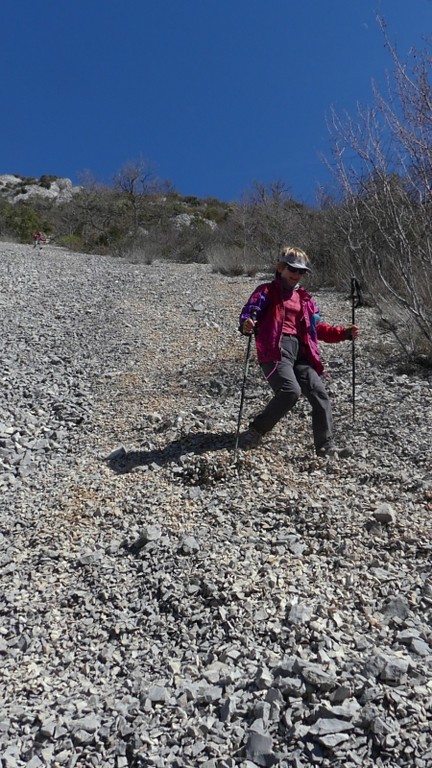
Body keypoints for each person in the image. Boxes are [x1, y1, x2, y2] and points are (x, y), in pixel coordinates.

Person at [238, 246, 358, 457]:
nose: (297, 274)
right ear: (281, 268)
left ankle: (325, 446)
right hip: (275, 350)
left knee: (319, 393)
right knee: (289, 391)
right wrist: (247, 324)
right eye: (292, 269)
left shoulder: (306, 300)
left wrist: (344, 333)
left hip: (302, 353)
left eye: (301, 271)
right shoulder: (266, 291)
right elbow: (250, 314)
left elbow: (317, 328)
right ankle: (256, 431)